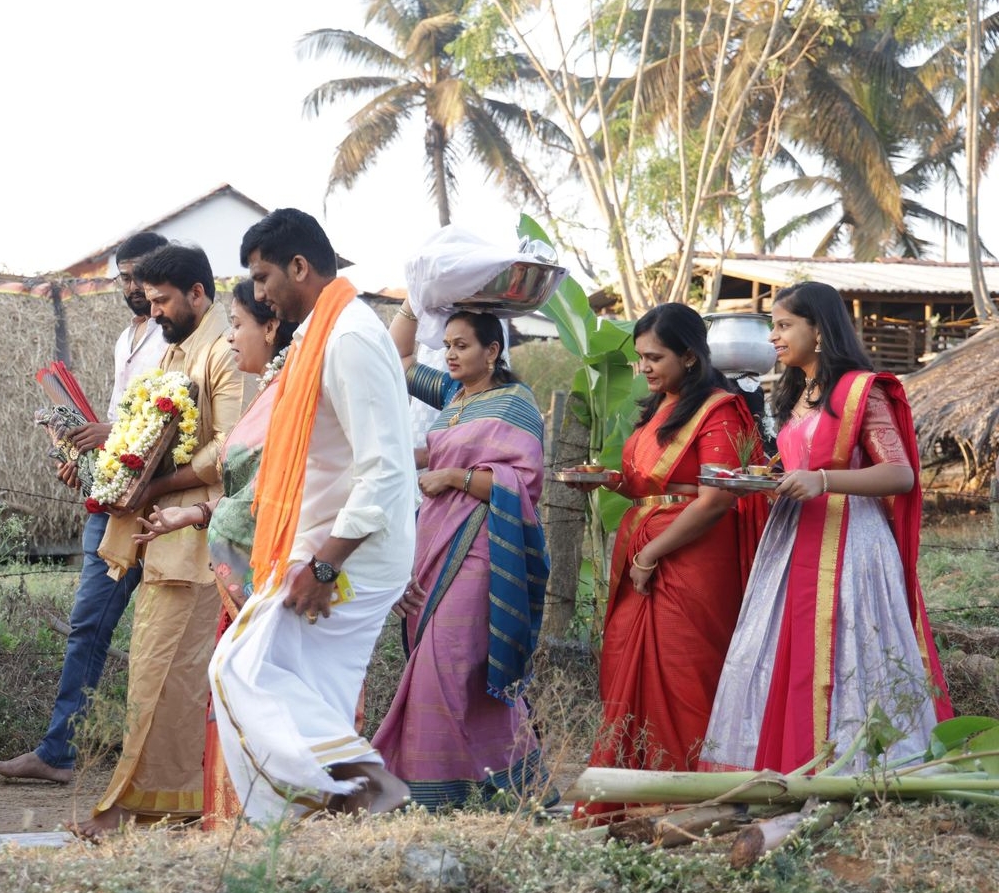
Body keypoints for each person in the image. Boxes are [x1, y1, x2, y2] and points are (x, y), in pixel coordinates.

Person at [211, 208, 417, 822]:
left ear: (300, 267)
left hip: (351, 552)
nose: (260, 292)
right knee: (302, 690)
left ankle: (364, 787)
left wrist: (325, 567)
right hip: (319, 544)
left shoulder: (349, 335)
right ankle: (330, 819)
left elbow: (384, 468)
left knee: (240, 668)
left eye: (264, 275)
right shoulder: (318, 334)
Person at [700, 281, 952, 774]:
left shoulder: (861, 390)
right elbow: (796, 466)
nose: (774, 336)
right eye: (773, 326)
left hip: (850, 544)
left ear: (819, 330)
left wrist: (821, 480)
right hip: (792, 542)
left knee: (847, 652)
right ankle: (790, 764)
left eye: (784, 325)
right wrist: (768, 482)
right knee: (786, 651)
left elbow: (900, 475)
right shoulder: (798, 393)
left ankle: (858, 767)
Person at [0, 231, 170, 785]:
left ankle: (164, 756)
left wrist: (108, 433)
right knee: (89, 625)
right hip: (115, 499)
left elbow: (181, 418)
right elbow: (122, 420)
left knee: (163, 632)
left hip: (165, 502)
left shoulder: (177, 336)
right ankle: (60, 752)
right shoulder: (127, 339)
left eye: (142, 277)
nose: (133, 288)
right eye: (125, 278)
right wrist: (84, 457)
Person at [71, 243, 240, 838]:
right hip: (159, 530)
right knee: (162, 673)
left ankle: (136, 807)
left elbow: (233, 448)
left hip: (199, 537)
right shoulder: (174, 350)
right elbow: (145, 433)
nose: (154, 310)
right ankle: (170, 801)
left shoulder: (224, 351)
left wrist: (158, 483)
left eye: (163, 299)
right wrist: (113, 472)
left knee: (169, 674)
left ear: (197, 292)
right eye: (150, 300)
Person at [572, 303, 766, 819]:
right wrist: (609, 480)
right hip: (643, 551)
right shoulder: (660, 407)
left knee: (685, 671)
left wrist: (652, 553)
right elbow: (649, 485)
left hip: (691, 558)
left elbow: (717, 498)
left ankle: (694, 799)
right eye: (640, 359)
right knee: (624, 666)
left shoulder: (719, 410)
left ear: (689, 354)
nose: (645, 369)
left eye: (655, 357)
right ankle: (633, 795)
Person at [370, 303, 550, 811]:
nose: (450, 354)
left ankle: (438, 793)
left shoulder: (515, 403)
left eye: (462, 345)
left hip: (481, 548)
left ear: (492, 351)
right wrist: (413, 298)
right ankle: (491, 789)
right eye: (446, 345)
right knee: (451, 668)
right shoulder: (452, 395)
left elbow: (522, 482)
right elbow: (399, 357)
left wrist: (451, 477)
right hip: (433, 542)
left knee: (446, 665)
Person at [132, 280, 296, 829]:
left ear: (271, 327)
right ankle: (232, 830)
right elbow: (250, 489)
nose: (229, 339)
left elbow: (283, 492)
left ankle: (268, 834)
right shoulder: (273, 388)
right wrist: (195, 514)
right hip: (247, 569)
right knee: (231, 695)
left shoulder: (294, 394)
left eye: (238, 325)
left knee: (267, 704)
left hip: (283, 580)